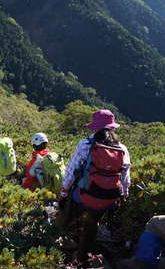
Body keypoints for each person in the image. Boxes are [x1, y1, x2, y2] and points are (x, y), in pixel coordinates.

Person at [59, 109, 131, 266]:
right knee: (93, 220)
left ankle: (76, 249)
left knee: (73, 206)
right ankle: (86, 247)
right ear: (112, 128)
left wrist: (63, 193)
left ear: (94, 127)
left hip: (85, 195)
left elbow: (71, 173)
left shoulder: (85, 145)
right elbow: (125, 178)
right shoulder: (122, 149)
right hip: (108, 198)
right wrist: (124, 195)